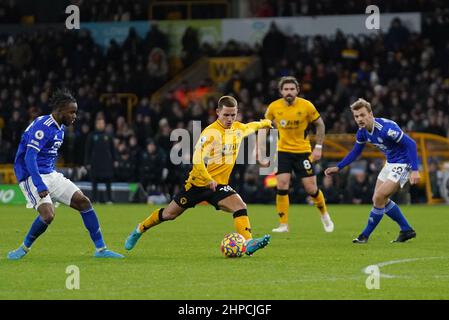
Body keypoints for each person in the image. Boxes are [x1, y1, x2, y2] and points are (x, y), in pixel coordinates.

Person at [124, 96, 272, 256]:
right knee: (169, 214)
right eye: (226, 115)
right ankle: (140, 229)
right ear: (217, 112)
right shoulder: (210, 133)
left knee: (240, 206)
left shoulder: (238, 129)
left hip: (219, 186)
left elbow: (250, 127)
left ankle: (248, 243)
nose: (230, 119)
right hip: (198, 184)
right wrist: (208, 179)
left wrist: (265, 123)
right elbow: (197, 159)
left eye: (233, 115)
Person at [7, 89, 123, 260]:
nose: (74, 116)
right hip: (31, 176)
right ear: (60, 110)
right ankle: (23, 249)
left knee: (84, 202)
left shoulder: (60, 128)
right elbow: (29, 157)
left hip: (50, 174)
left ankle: (101, 249)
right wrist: (39, 184)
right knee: (48, 215)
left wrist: (52, 179)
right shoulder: (43, 126)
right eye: (72, 112)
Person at [325, 98, 419, 243]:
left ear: (370, 114)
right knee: (380, 198)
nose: (359, 119)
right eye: (356, 116)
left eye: (362, 115)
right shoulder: (362, 132)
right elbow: (355, 152)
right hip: (390, 163)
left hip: (404, 163)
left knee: (378, 197)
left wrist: (415, 170)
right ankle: (406, 230)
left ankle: (364, 236)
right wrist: (339, 167)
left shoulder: (386, 129)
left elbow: (411, 144)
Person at [262, 76, 334, 233]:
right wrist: (259, 149)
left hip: (303, 152)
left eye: (292, 89)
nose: (289, 92)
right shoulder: (274, 107)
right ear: (281, 91)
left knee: (311, 188)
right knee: (281, 185)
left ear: (297, 90)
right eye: (286, 89)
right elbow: (264, 126)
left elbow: (320, 124)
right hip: (282, 151)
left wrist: (319, 147)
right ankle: (283, 224)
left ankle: (324, 215)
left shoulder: (306, 106)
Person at [85, 117, 116, 204]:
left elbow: (112, 149)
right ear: (96, 125)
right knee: (94, 182)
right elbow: (88, 150)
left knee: (108, 181)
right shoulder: (92, 136)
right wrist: (87, 162)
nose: (100, 125)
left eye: (102, 123)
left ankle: (109, 199)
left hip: (106, 162)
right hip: (95, 162)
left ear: (104, 125)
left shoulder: (108, 136)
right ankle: (95, 199)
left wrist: (115, 160)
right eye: (99, 123)